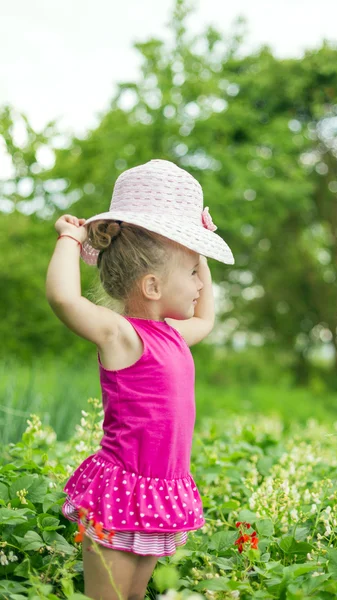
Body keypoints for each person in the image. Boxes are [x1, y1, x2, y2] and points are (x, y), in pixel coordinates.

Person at [46, 159, 234, 600]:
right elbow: (62, 296)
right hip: (121, 492)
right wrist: (69, 240)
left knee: (132, 597)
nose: (199, 285)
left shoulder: (173, 335)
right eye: (190, 274)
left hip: (160, 492)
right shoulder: (121, 335)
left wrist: (200, 250)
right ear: (151, 286)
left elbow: (206, 318)